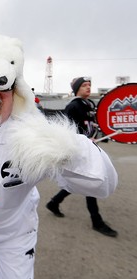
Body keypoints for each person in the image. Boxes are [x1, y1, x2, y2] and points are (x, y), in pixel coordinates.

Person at [0, 33, 118, 279]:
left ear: (16, 90)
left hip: (14, 232)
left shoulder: (32, 132)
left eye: (4, 86)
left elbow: (105, 185)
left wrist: (70, 148)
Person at [46, 77, 118, 237]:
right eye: (84, 85)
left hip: (91, 148)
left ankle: (53, 202)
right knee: (91, 179)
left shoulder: (89, 105)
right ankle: (96, 221)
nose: (88, 87)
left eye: (89, 85)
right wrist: (82, 141)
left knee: (81, 180)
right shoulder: (73, 105)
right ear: (77, 88)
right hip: (80, 151)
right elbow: (66, 130)